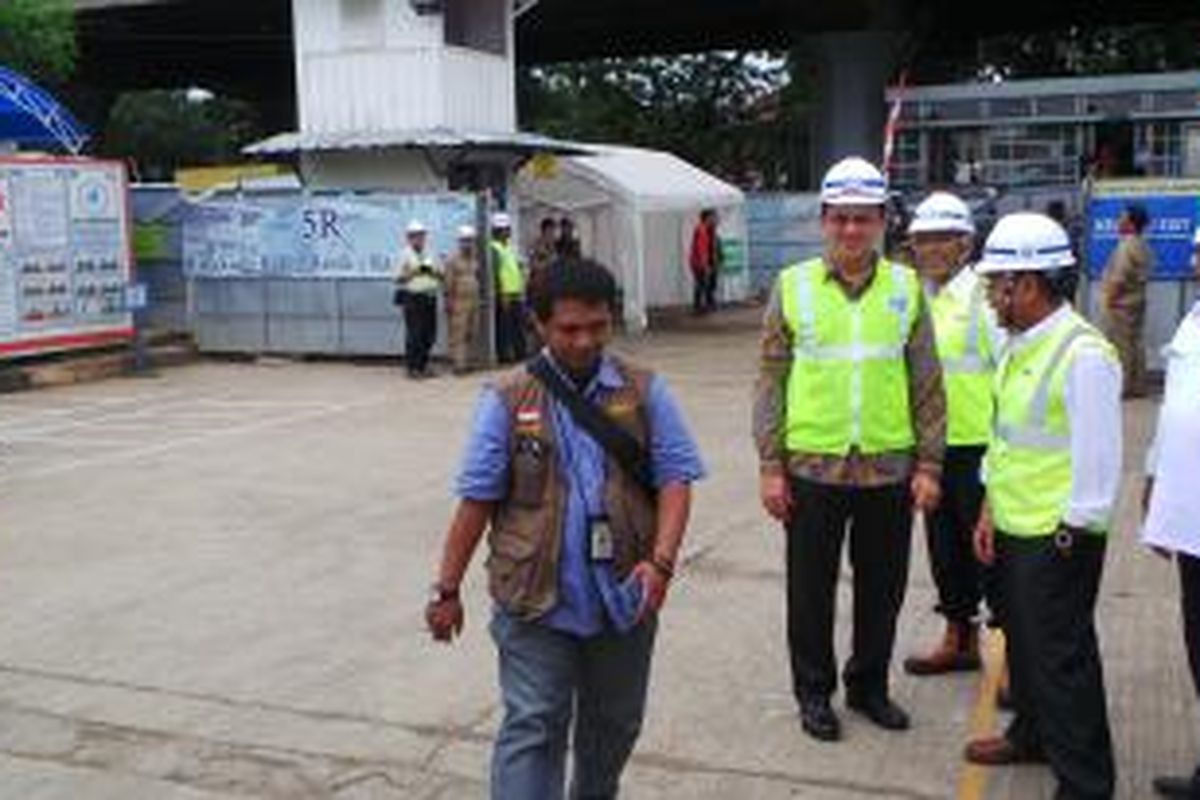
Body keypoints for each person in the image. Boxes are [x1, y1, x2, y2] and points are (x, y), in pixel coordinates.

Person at [426, 257, 705, 800]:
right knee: (535, 723)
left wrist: (663, 563)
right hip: (534, 598)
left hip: (625, 597)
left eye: (597, 327)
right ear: (539, 324)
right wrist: (446, 589)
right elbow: (476, 501)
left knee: (615, 726)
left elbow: (676, 479)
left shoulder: (644, 391)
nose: (584, 341)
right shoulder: (507, 398)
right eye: (569, 329)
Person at [753, 156, 945, 742]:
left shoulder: (907, 289)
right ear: (823, 221)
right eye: (841, 219)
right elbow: (770, 380)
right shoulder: (793, 288)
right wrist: (769, 465)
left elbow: (927, 382)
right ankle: (815, 694)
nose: (852, 231)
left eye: (863, 219)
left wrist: (931, 464)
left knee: (882, 591)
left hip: (889, 468)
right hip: (812, 468)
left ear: (882, 221)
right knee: (809, 595)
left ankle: (868, 687)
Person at [966, 212, 1121, 800]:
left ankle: (1085, 783)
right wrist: (987, 510)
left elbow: (1099, 464)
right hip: (1012, 524)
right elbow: (1006, 437)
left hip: (1057, 537)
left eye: (995, 284)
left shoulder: (1083, 354)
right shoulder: (1019, 344)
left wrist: (1069, 537)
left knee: (1062, 660)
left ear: (1026, 284)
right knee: (1023, 646)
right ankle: (1031, 733)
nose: (990, 295)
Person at [903, 192, 1005, 677]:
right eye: (924, 240)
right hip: (931, 449)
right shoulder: (914, 297)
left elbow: (1009, 374)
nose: (933, 249)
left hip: (979, 448)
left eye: (943, 239)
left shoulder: (985, 297)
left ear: (966, 243)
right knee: (943, 550)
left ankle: (1007, 651)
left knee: (989, 551)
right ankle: (958, 636)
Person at [1142, 228, 1200, 799]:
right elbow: (1173, 411)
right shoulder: (1191, 322)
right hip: (1190, 513)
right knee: (1197, 639)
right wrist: (1157, 486)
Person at [1100, 204, 1153, 398]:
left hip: (1121, 306)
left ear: (1131, 223)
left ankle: (1123, 388)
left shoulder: (1126, 246)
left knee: (1121, 347)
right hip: (1136, 303)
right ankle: (1138, 386)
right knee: (1135, 345)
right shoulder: (1142, 244)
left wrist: (1108, 301)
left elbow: (1118, 278)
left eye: (1122, 218)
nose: (1118, 221)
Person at [396, 219, 443, 379]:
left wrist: (434, 272)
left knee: (430, 333)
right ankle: (413, 367)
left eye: (421, 235)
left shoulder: (431, 253)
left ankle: (423, 364)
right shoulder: (404, 255)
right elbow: (399, 278)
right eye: (415, 236)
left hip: (429, 296)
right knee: (415, 333)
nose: (419, 238)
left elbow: (440, 274)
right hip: (413, 297)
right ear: (409, 238)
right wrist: (415, 271)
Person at [491, 212, 527, 364]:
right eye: (505, 229)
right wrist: (501, 293)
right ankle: (504, 356)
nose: (508, 231)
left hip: (516, 292)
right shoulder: (494, 248)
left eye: (508, 228)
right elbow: (496, 273)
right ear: (498, 230)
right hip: (505, 294)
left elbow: (515, 268)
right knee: (504, 326)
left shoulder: (510, 247)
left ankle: (520, 354)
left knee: (517, 325)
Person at [444, 225, 481, 374]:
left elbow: (476, 277)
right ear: (459, 242)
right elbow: (448, 283)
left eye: (471, 241)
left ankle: (467, 362)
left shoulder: (474, 259)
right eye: (465, 241)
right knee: (458, 334)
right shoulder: (452, 260)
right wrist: (448, 301)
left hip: (473, 301)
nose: (468, 244)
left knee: (471, 332)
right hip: (459, 301)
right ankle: (458, 365)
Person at [688, 209, 721, 314]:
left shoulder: (710, 230)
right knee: (701, 284)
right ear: (707, 218)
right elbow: (701, 248)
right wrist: (705, 265)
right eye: (713, 217)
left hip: (705, 262)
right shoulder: (701, 230)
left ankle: (706, 304)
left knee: (707, 284)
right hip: (699, 263)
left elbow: (714, 246)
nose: (715, 219)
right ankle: (698, 307)